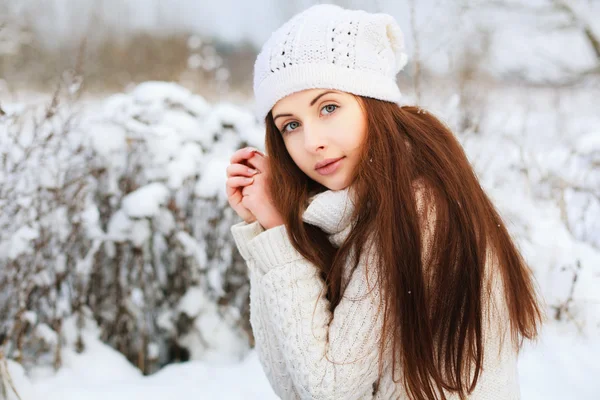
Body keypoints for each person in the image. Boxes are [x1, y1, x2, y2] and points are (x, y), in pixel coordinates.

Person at [225, 4, 543, 400]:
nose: (311, 142)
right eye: (291, 125)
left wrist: (278, 235)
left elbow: (328, 390)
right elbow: (293, 385)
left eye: (328, 107)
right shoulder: (352, 211)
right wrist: (267, 235)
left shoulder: (418, 207)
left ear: (372, 102)